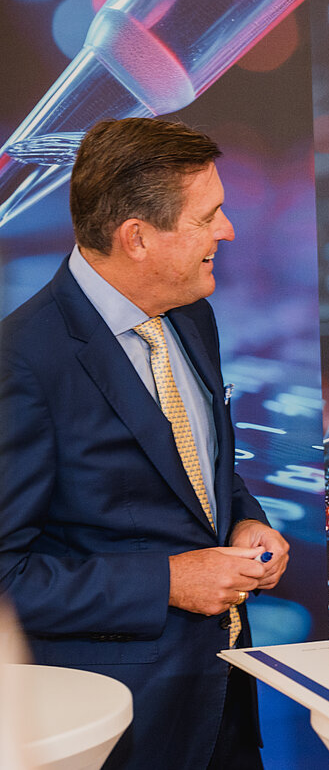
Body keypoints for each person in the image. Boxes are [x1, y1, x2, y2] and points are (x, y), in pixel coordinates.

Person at [0, 117, 289, 770]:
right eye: (208, 216)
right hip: (122, 729)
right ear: (137, 238)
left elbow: (205, 473)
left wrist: (246, 522)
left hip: (225, 708)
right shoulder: (23, 361)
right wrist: (166, 581)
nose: (228, 231)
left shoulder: (194, 314)